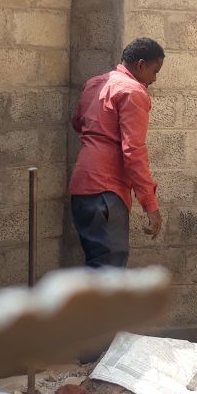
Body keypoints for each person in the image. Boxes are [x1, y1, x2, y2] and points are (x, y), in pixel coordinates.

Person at [69, 38, 165, 268]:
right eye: (154, 71)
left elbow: (78, 123)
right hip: (107, 189)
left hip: (82, 185)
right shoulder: (133, 91)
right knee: (109, 272)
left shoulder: (94, 84)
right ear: (141, 65)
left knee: (97, 265)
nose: (154, 79)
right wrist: (150, 204)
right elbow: (133, 151)